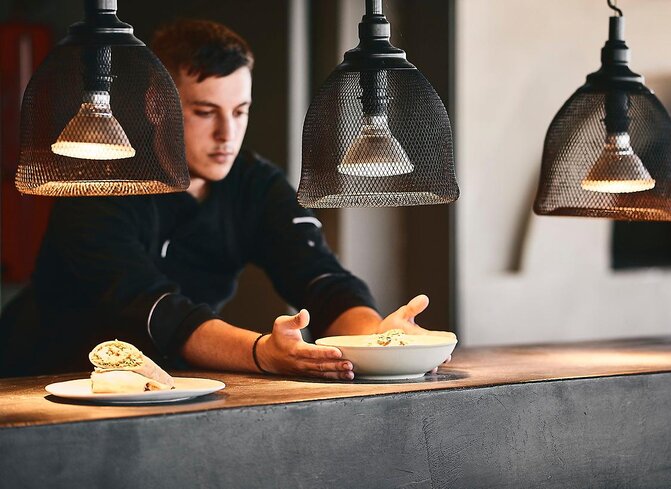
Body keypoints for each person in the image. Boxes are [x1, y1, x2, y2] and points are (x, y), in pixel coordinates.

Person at [0, 19, 446, 379]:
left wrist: (381, 340)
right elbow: (155, 308)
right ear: (157, 106)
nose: (226, 135)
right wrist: (262, 353)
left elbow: (321, 280)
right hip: (38, 383)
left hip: (166, 389)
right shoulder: (97, 186)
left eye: (239, 112)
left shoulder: (254, 183)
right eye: (205, 112)